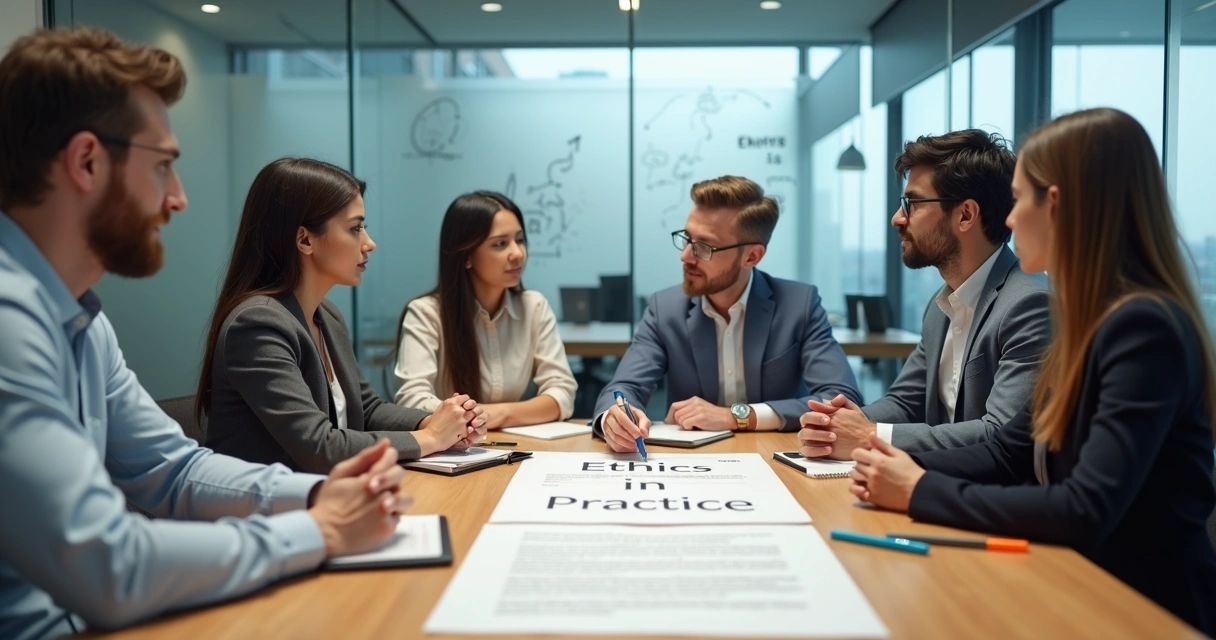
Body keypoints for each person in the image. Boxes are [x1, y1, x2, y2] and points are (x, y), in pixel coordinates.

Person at [0, 27, 412, 638]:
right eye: (163, 165)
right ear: (87, 160)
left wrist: (311, 498)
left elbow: (174, 470)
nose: (179, 199)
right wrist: (317, 530)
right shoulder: (10, 324)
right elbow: (109, 566)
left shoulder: (82, 321)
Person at [847, 108, 1216, 635]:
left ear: (1057, 204)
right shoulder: (1092, 320)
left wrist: (918, 489)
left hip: (1141, 609)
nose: (1012, 219)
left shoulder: (1143, 327)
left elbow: (1084, 507)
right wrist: (888, 463)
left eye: (1020, 200)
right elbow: (1008, 450)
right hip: (1078, 582)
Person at [201, 158, 486, 472]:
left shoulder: (327, 315)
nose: (369, 243)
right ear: (305, 239)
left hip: (324, 498)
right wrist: (431, 437)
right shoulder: (256, 325)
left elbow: (366, 409)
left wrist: (439, 420)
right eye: (355, 228)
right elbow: (320, 445)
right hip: (265, 512)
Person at [799, 130, 1050, 460]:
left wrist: (868, 435)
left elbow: (1000, 434)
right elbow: (905, 403)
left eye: (912, 203)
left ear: (965, 215)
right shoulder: (940, 305)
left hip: (995, 503)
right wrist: (841, 423)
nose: (897, 218)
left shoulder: (1029, 303)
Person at [595, 175, 861, 452]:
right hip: (691, 461)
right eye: (687, 239)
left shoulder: (798, 305)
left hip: (775, 456)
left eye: (704, 247)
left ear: (752, 257)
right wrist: (614, 418)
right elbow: (625, 386)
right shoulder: (665, 308)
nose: (686, 256)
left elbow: (841, 399)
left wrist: (736, 416)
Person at [394, 191, 577, 428]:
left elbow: (562, 392)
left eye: (520, 240)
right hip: (450, 451)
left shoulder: (534, 306)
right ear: (466, 256)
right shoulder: (426, 313)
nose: (518, 253)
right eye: (500, 244)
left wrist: (500, 415)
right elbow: (412, 402)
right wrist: (511, 413)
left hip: (515, 446)